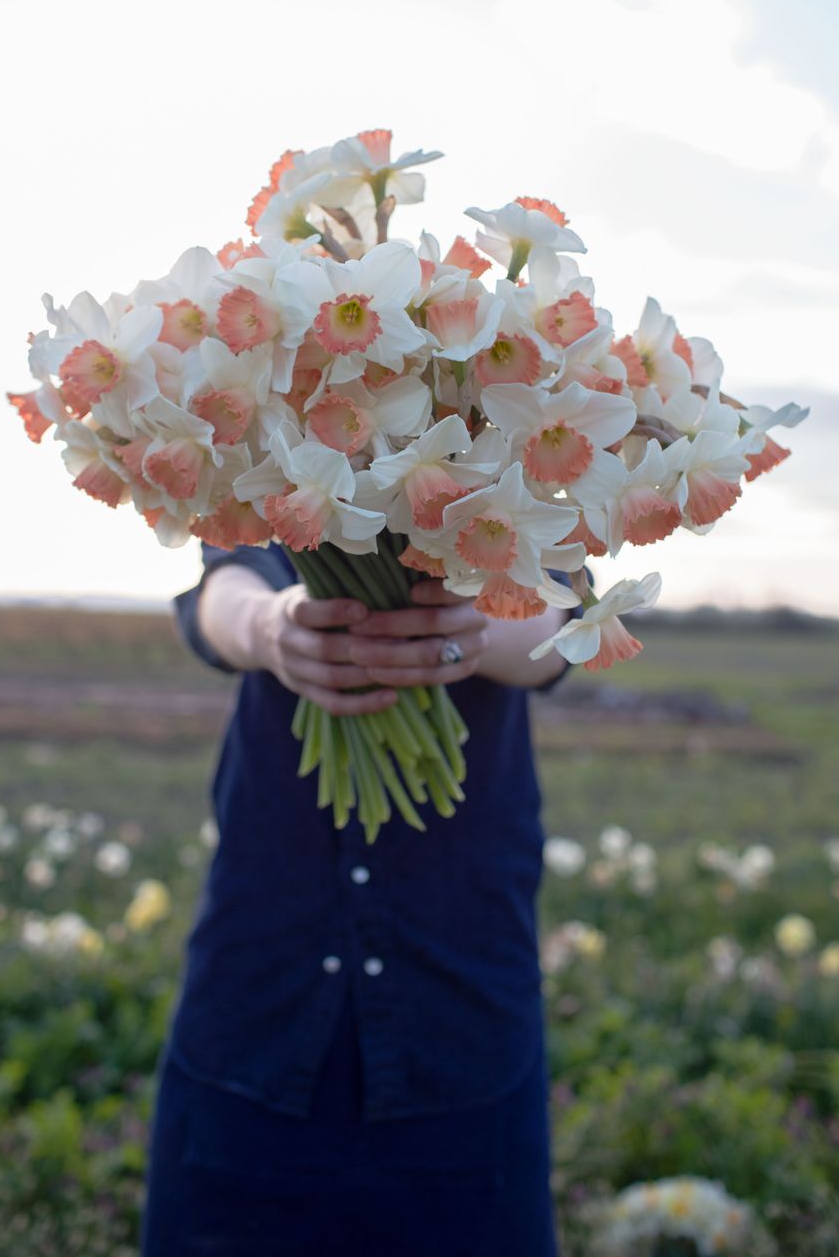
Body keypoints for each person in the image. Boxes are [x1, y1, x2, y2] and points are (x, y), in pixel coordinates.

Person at [140, 537, 583, 1257]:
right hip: (261, 994)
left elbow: (556, 619)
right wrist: (272, 629)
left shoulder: (520, 475)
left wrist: (468, 629)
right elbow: (225, 584)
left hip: (459, 993)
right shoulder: (273, 464)